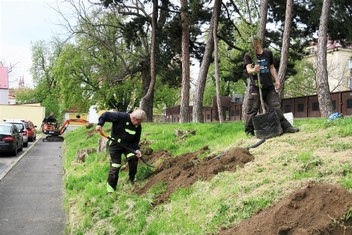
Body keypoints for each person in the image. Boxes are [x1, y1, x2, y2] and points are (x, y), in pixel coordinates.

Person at [243, 35, 299, 136]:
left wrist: (277, 80)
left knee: (275, 107)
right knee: (252, 109)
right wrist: (254, 70)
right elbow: (248, 69)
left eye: (254, 42)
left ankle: (286, 127)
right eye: (251, 43)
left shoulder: (268, 53)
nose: (253, 45)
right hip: (255, 87)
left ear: (259, 42)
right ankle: (249, 131)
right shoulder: (249, 55)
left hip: (268, 87)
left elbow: (272, 68)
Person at [95, 109, 147, 194]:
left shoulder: (138, 126)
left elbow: (135, 141)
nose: (139, 124)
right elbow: (105, 115)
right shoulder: (120, 116)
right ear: (134, 118)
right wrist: (100, 124)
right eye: (138, 121)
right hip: (115, 145)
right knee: (115, 165)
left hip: (128, 146)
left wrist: (137, 149)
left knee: (133, 158)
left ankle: (131, 180)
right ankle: (110, 190)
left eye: (140, 122)